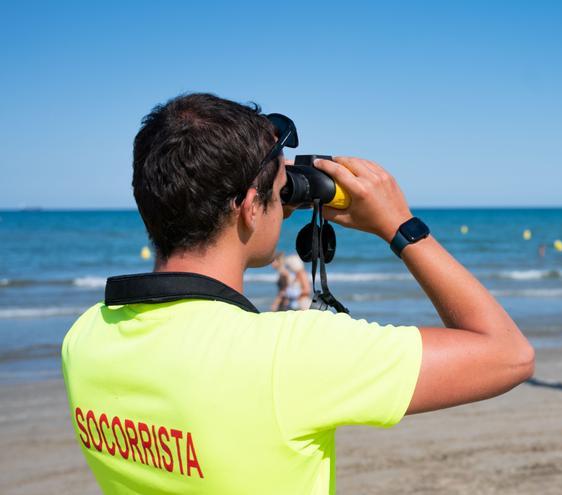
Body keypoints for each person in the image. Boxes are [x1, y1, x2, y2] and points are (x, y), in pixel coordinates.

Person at [61, 93, 534, 494]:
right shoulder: (289, 355)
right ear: (249, 207)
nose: (286, 207)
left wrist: (271, 186)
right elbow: (509, 355)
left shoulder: (85, 338)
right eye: (280, 194)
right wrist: (398, 225)